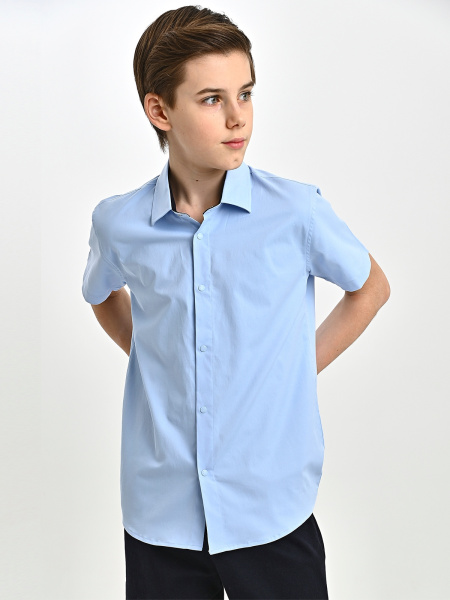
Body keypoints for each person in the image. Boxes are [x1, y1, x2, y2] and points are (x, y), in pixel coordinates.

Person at [81, 5, 390, 599]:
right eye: (211, 99)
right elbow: (101, 296)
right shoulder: (119, 223)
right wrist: (157, 357)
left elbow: (370, 286)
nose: (237, 117)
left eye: (245, 93)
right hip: (161, 514)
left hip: (269, 507)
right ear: (159, 111)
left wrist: (294, 367)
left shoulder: (295, 212)